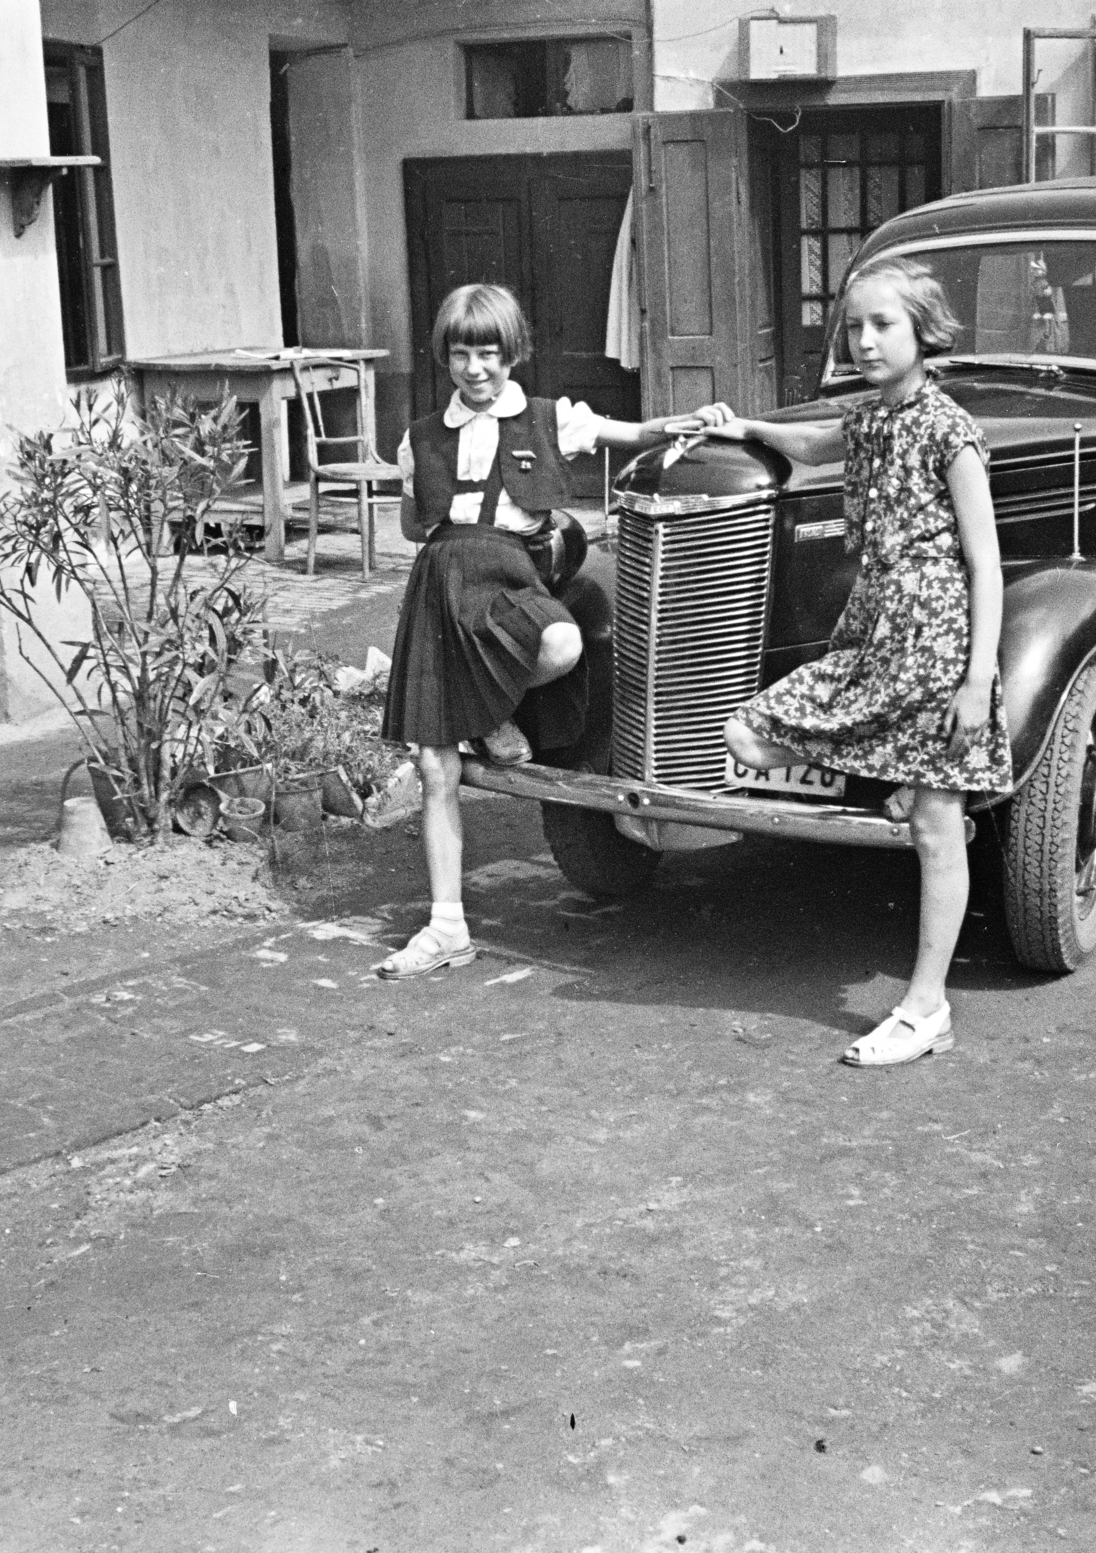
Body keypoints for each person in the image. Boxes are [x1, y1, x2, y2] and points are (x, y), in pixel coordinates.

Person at [692, 256, 1012, 1067]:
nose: (865, 341)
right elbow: (814, 437)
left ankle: (925, 1006)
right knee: (747, 736)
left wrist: (977, 680)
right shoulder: (871, 421)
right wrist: (749, 428)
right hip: (870, 637)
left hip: (937, 642)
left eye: (883, 326)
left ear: (922, 334)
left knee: (940, 830)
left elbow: (987, 564)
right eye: (855, 326)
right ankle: (898, 778)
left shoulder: (951, 429)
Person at [377, 282, 698, 980]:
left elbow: (635, 433)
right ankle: (447, 926)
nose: (475, 368)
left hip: (513, 578)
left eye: (489, 353)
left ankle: (494, 713)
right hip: (440, 590)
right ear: (445, 356)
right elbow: (412, 527)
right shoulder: (420, 438)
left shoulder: (550, 418)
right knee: (437, 767)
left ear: (512, 353)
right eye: (461, 354)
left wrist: (693, 421)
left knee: (560, 643)